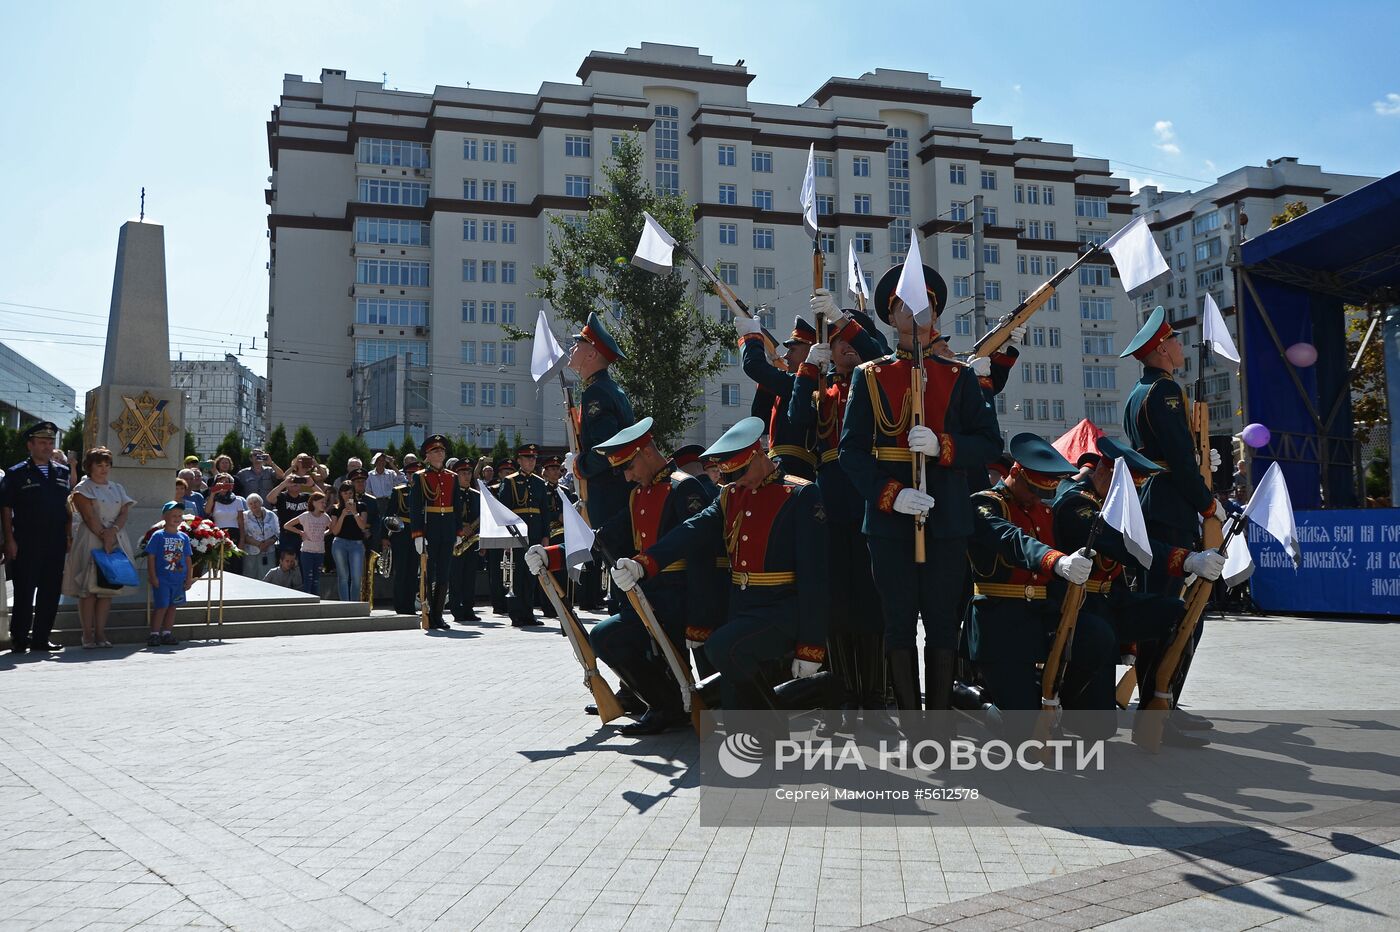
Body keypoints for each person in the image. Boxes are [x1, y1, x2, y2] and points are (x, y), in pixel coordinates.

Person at [839, 262, 1003, 716]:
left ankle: (940, 722)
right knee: (896, 624)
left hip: (947, 515)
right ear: (892, 318)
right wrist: (891, 494)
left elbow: (991, 442)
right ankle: (911, 722)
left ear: (936, 313)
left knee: (941, 623)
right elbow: (851, 453)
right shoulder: (868, 377)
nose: (916, 314)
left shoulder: (959, 376)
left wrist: (942, 446)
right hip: (890, 521)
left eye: (925, 306)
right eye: (905, 308)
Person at [611, 417, 829, 714]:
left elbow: (814, 574)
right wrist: (644, 564)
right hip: (741, 606)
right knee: (733, 701)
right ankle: (792, 707)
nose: (737, 481)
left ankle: (792, 709)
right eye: (730, 476)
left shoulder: (800, 494)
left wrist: (811, 645)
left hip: (783, 607)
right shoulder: (731, 496)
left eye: (740, 472)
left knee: (722, 647)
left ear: (759, 455)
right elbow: (693, 529)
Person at [527, 418, 720, 733]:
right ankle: (662, 702)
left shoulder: (683, 486)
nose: (627, 476)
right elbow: (604, 537)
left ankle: (667, 705)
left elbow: (701, 553)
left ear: (645, 453)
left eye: (629, 467)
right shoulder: (639, 495)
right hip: (648, 595)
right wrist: (553, 556)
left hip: (678, 596)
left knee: (610, 637)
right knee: (607, 637)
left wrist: (701, 617)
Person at [1051, 436, 1224, 747]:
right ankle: (1059, 704)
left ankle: (1157, 704)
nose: (1131, 498)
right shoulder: (1077, 503)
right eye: (1128, 489)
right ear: (1105, 473)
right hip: (1077, 608)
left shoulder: (1105, 500)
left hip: (1110, 602)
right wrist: (1185, 559)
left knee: (1177, 615)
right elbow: (1120, 543)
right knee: (1098, 728)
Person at [788, 296, 889, 734]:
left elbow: (876, 351)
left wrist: (842, 322)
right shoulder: (822, 389)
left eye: (847, 341)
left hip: (866, 494)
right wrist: (807, 367)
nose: (842, 349)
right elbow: (795, 421)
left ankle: (877, 696)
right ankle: (842, 694)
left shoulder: (878, 380)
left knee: (873, 603)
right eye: (836, 343)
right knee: (837, 606)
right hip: (831, 500)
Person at [965, 434, 1108, 731]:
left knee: (1097, 636)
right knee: (1023, 729)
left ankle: (1060, 705)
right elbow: (1012, 540)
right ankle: (973, 703)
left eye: (1042, 493)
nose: (1035, 498)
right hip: (1000, 622)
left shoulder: (1044, 511)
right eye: (1032, 490)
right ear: (1015, 473)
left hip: (1040, 616)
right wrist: (1057, 562)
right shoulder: (985, 505)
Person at [1120, 305, 1223, 710]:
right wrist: (1208, 501)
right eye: (1175, 340)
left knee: (1159, 608)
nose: (1180, 346)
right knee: (1173, 612)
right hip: (1169, 505)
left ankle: (1158, 701)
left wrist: (1201, 457)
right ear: (1162, 348)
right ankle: (1160, 704)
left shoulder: (1138, 391)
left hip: (1153, 500)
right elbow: (1178, 458)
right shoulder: (1164, 390)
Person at [2, 422, 72, 653]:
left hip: (55, 541)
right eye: (42, 442)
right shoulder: (17, 473)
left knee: (50, 591)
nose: (47, 447)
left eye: (51, 443)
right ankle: (20, 638)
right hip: (27, 541)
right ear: (30, 445)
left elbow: (66, 506)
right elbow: (6, 507)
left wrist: (68, 534)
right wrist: (9, 540)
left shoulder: (62, 472)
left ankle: (42, 637)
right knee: (24, 590)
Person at [62, 447, 137, 650]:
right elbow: (88, 516)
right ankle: (87, 634)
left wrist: (112, 532)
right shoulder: (83, 488)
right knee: (89, 590)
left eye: (107, 465)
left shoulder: (117, 487)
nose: (104, 469)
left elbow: (124, 512)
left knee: (107, 589)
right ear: (90, 466)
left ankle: (101, 632)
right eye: (99, 465)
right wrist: (104, 535)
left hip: (114, 537)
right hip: (91, 539)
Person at [568, 311, 635, 536]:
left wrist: (579, 465)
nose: (571, 349)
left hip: (608, 497)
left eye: (578, 345)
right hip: (616, 494)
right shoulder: (608, 389)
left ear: (591, 355)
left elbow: (607, 450)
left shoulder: (596, 393)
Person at [737, 308, 819, 479]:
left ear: (811, 352)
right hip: (777, 464)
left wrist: (752, 337)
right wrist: (768, 376)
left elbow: (752, 366)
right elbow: (759, 418)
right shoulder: (789, 383)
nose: (786, 356)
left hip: (795, 468)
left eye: (793, 350)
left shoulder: (808, 385)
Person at [408, 435, 459, 631]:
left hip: (447, 529)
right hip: (430, 529)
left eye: (442, 451)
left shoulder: (451, 477)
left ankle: (438, 614)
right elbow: (415, 507)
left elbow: (456, 505)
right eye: (435, 451)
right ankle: (427, 612)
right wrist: (418, 534)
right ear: (427, 456)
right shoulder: (420, 477)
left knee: (444, 574)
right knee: (429, 573)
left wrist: (458, 530)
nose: (440, 454)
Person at [497, 443, 550, 627]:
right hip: (517, 534)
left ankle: (528, 613)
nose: (531, 461)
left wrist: (545, 535)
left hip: (534, 533)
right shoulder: (510, 481)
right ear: (519, 460)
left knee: (530, 575)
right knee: (516, 575)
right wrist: (507, 536)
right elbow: (504, 510)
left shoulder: (539, 482)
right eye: (527, 457)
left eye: (534, 458)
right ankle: (516, 614)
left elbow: (544, 511)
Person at [144, 502, 194, 647]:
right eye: (173, 515)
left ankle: (167, 633)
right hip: (162, 579)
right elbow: (151, 557)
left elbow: (188, 558)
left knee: (173, 606)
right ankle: (154, 634)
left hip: (178, 580)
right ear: (164, 517)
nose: (177, 518)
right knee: (162, 606)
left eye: (179, 515)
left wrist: (188, 578)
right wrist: (153, 576)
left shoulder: (183, 537)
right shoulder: (158, 535)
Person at [268, 453, 319, 562]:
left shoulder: (306, 497)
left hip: (304, 535)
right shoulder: (282, 497)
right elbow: (269, 498)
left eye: (298, 481)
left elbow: (322, 498)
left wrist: (312, 484)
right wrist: (284, 483)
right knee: (287, 564)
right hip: (287, 536)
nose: (295, 483)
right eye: (293, 481)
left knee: (303, 564)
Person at [449, 459, 481, 622]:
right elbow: (448, 517)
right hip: (456, 540)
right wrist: (461, 528)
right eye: (462, 473)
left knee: (470, 577)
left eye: (468, 473)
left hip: (473, 540)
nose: (467, 476)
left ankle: (469, 609)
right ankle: (456, 609)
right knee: (456, 577)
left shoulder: (476, 496)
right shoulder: (450, 494)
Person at [328, 481, 370, 601]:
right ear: (341, 494)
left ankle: (355, 604)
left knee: (356, 577)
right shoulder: (336, 509)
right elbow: (335, 531)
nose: (348, 496)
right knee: (343, 576)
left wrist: (354, 513)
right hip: (340, 543)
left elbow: (363, 526)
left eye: (350, 493)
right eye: (345, 493)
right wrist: (342, 515)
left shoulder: (362, 506)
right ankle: (345, 605)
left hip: (356, 544)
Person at [283, 491, 330, 596]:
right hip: (307, 551)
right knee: (308, 578)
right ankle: (308, 599)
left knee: (316, 579)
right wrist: (300, 532)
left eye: (325, 502)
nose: (324, 504)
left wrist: (323, 534)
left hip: (320, 551)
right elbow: (287, 525)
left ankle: (316, 599)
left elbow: (332, 529)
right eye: (321, 502)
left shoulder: (325, 517)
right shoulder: (306, 516)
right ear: (314, 503)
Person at [203, 473, 247, 574]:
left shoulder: (238, 500)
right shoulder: (213, 499)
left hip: (234, 534)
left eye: (226, 482)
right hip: (219, 535)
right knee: (220, 564)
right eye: (220, 482)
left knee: (235, 564)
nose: (223, 484)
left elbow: (241, 521)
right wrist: (213, 493)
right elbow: (207, 511)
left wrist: (242, 539)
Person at [240, 493, 281, 580]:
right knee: (250, 576)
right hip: (251, 551)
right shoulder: (244, 516)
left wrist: (267, 543)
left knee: (267, 576)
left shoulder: (271, 514)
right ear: (248, 506)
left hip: (269, 550)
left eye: (256, 502)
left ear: (261, 502)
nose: (253, 505)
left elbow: (277, 532)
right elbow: (243, 534)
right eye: (250, 503)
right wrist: (259, 544)